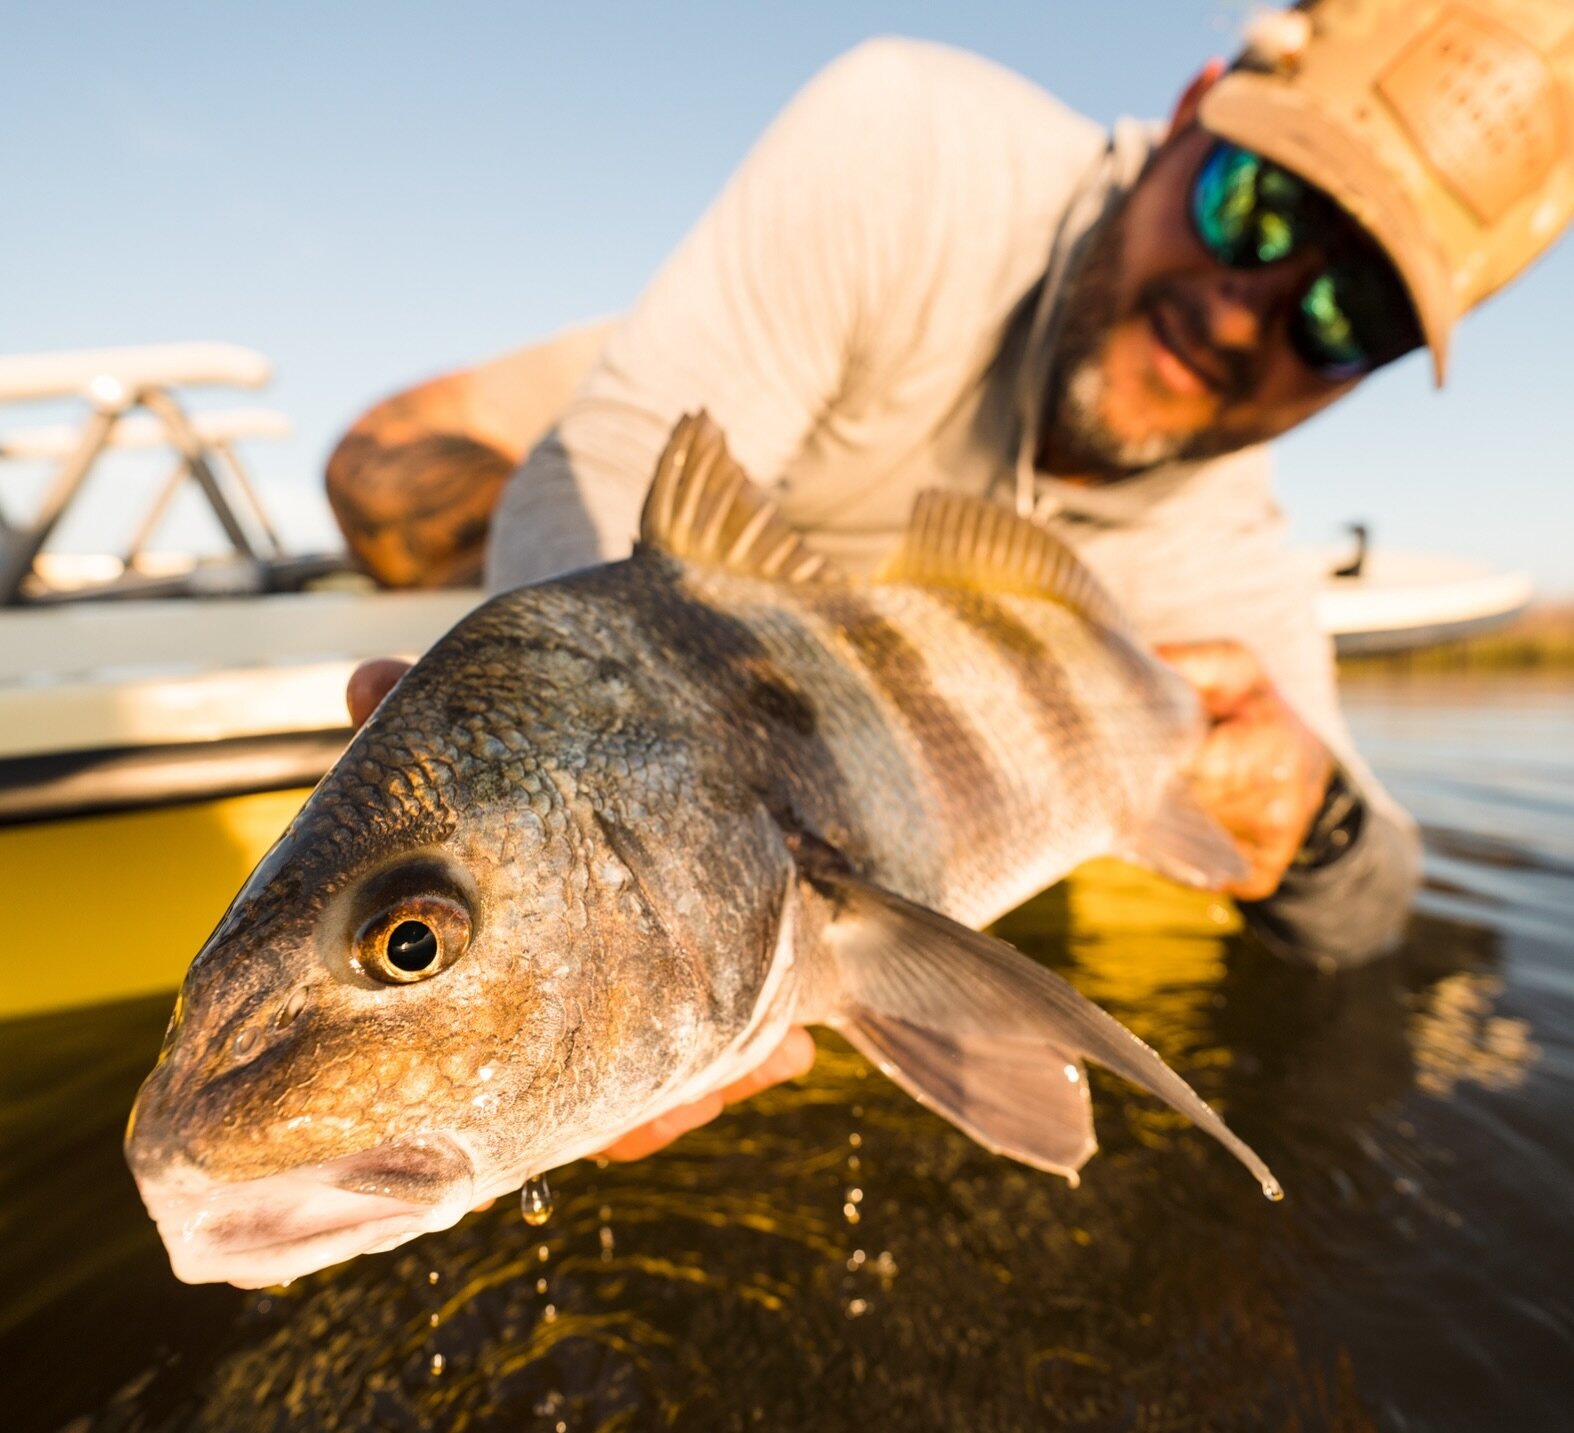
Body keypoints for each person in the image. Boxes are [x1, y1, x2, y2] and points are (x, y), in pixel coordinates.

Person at [328, 0, 1574, 1154]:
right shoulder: (920, 149)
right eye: (1255, 206)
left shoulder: (1227, 549)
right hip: (716, 451)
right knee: (389, 489)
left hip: (846, 620)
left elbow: (1374, 882)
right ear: (1194, 109)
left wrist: (1311, 817)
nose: (1248, 308)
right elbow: (609, 455)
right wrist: (558, 759)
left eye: (1345, 311)